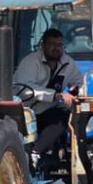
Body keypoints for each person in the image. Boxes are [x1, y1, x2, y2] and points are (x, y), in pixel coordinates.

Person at [13, 28, 85, 164]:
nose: (56, 48)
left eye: (59, 45)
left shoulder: (68, 63)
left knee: (63, 116)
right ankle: (31, 154)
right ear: (43, 46)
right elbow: (25, 90)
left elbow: (79, 82)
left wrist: (75, 91)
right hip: (25, 111)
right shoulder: (30, 62)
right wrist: (56, 96)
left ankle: (36, 152)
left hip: (47, 110)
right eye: (52, 44)